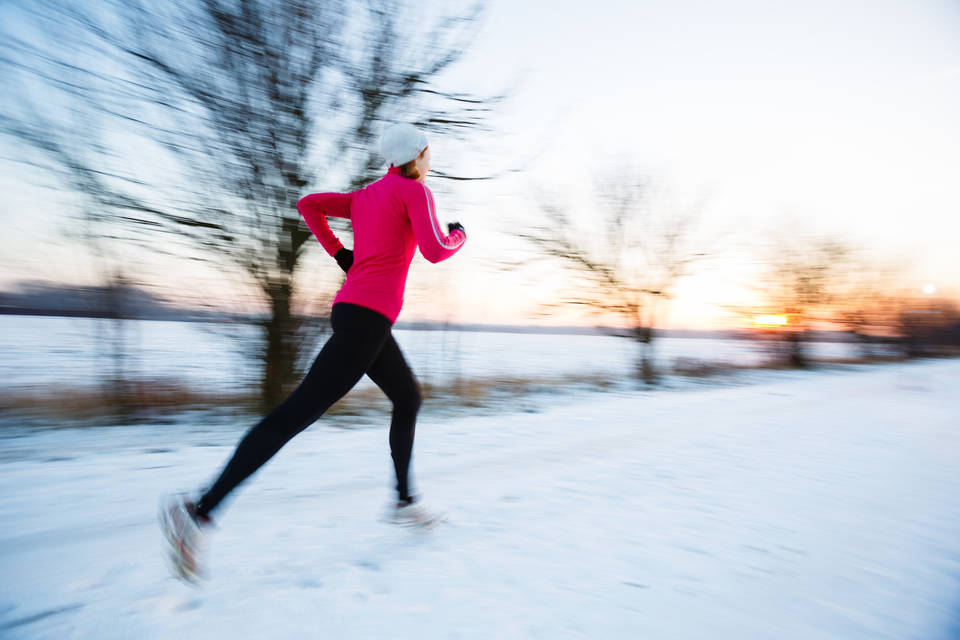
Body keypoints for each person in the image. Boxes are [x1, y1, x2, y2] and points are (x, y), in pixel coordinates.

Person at [160, 123, 466, 581]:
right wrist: (459, 233)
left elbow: (309, 206)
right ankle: (198, 510)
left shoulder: (366, 196)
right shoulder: (413, 191)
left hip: (359, 316)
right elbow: (436, 250)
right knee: (294, 415)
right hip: (366, 321)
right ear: (416, 156)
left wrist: (341, 254)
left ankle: (403, 502)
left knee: (408, 399)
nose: (430, 159)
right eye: (427, 152)